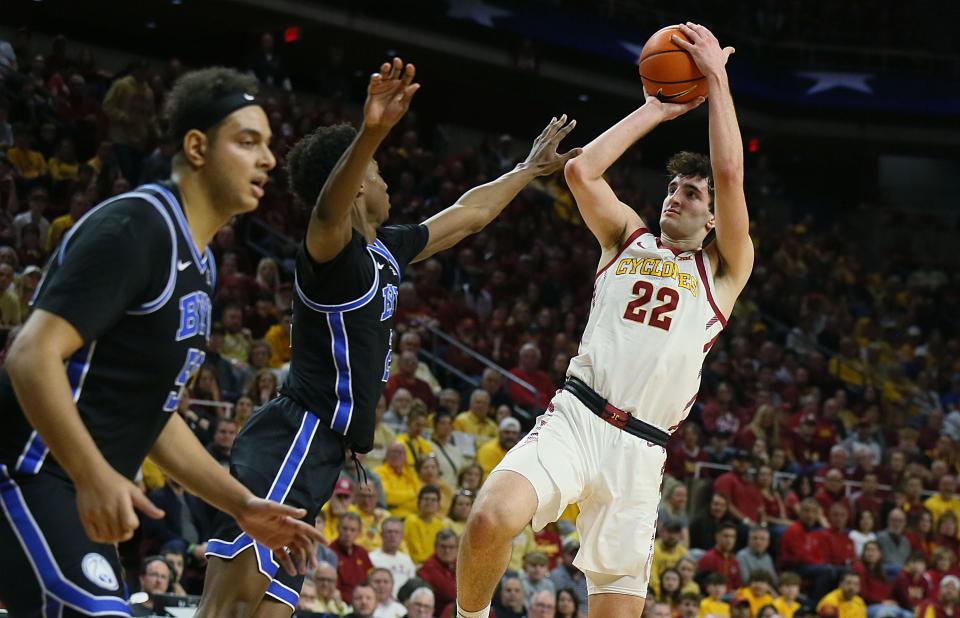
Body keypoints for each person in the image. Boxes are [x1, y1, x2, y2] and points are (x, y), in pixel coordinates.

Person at [199, 56, 579, 616]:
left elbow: (468, 214)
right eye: (374, 171)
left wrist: (526, 169)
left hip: (323, 456)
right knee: (228, 609)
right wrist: (371, 132)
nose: (385, 178)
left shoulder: (386, 250)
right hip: (294, 438)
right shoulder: (331, 256)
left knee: (270, 612)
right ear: (353, 189)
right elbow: (329, 206)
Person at [0, 67, 323, 617]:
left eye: (268, 145)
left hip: (74, 491)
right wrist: (93, 473)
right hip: (26, 470)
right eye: (248, 142)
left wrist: (241, 504)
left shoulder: (200, 263)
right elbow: (31, 356)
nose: (268, 159)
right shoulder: (136, 227)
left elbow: (157, 414)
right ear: (197, 147)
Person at [457, 23, 751, 618]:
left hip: (641, 452)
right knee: (489, 518)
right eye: (672, 187)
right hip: (577, 415)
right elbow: (581, 172)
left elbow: (730, 175)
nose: (677, 196)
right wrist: (653, 109)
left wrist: (717, 81)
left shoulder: (723, 272)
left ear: (713, 220)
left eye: (692, 194)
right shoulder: (626, 238)